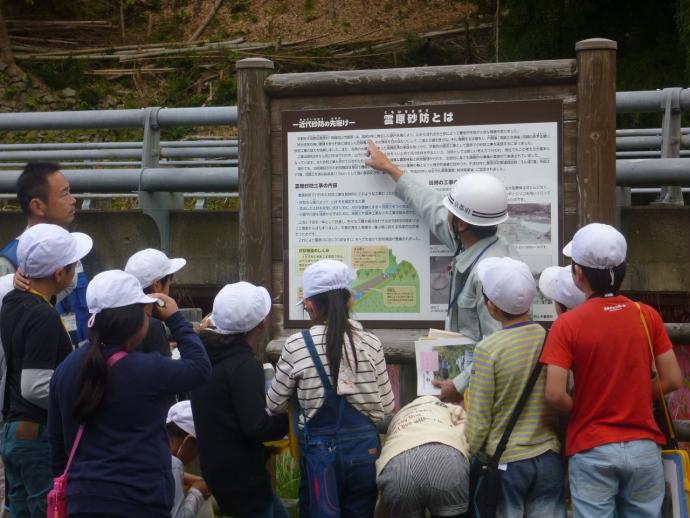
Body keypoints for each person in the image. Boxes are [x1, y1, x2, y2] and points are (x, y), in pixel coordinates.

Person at [541, 223, 683, 518]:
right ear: (623, 269)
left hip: (592, 447)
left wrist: (586, 405)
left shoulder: (567, 324)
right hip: (644, 448)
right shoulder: (647, 315)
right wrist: (632, 395)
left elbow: (554, 393)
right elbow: (672, 378)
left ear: (578, 275)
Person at [47, 270, 211, 517]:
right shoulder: (147, 369)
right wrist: (175, 318)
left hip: (83, 501)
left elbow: (58, 452)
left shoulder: (64, 371)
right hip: (140, 500)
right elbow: (200, 367)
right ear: (135, 322)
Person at [365, 141, 519, 402]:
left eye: (452, 210)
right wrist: (391, 169)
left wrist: (458, 385)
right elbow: (431, 206)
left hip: (482, 391)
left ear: (460, 224)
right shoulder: (474, 242)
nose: (445, 211)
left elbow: (498, 345)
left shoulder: (492, 275)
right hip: (468, 374)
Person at [267, 259, 395, 518]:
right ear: (350, 301)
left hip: (320, 454)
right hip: (364, 453)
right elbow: (388, 405)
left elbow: (273, 404)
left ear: (311, 306)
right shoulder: (371, 343)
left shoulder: (296, 345)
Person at [0, 223, 92, 517]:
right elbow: (35, 385)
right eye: (73, 264)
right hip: (36, 433)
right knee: (47, 510)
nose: (77, 269)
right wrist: (82, 400)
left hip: (13, 433)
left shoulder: (14, 302)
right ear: (58, 273)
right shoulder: (42, 316)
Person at [465, 256, 564, 518]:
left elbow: (479, 420)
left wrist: (468, 451)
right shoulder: (549, 338)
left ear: (491, 307)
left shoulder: (488, 350)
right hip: (549, 458)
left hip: (508, 462)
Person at [191, 281, 289, 518]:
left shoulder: (203, 355)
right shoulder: (244, 365)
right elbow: (256, 425)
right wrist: (290, 419)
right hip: (243, 478)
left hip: (218, 469)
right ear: (261, 323)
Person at [0, 162, 90, 345]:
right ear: (37, 206)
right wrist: (11, 284)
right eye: (64, 193)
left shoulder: (73, 248)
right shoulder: (8, 262)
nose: (73, 200)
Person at [376, 396, 470, 518]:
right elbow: (468, 428)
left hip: (399, 466)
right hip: (446, 460)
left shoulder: (400, 416)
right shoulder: (448, 408)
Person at [125, 248, 187, 356]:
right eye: (168, 284)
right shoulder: (151, 326)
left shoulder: (120, 315)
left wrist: (164, 346)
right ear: (156, 285)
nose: (169, 289)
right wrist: (176, 319)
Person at [166, 401, 211, 518]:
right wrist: (197, 492)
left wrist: (188, 478)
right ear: (190, 442)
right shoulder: (174, 465)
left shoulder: (152, 451)